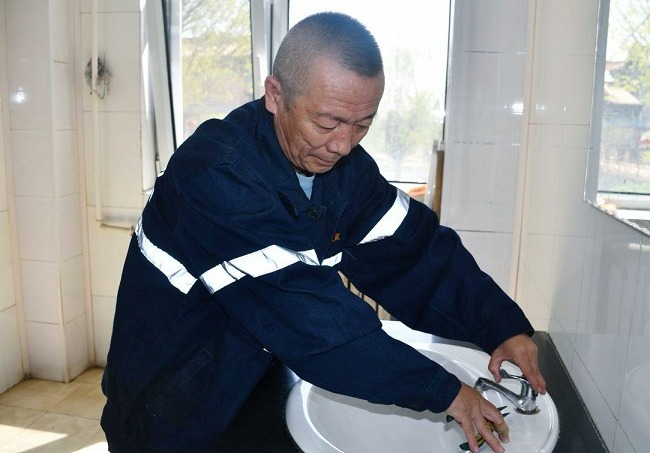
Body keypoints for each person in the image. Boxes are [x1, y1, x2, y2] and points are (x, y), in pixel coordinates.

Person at [100, 12, 546, 453]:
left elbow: (415, 253)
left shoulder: (342, 168)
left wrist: (498, 324)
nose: (343, 145)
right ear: (275, 95)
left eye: (363, 124)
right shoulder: (216, 176)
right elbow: (313, 322)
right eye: (327, 122)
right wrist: (443, 391)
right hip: (172, 412)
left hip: (249, 379)